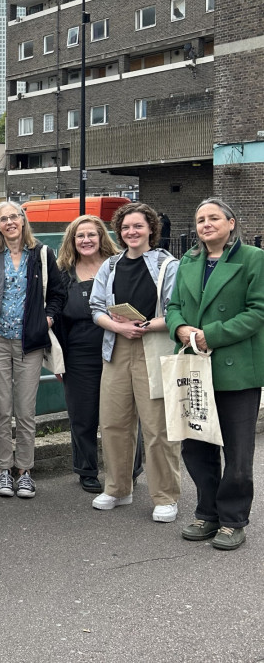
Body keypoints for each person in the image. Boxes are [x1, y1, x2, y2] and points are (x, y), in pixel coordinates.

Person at [167, 198, 264, 550]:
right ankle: (207, 512)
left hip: (237, 368)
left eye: (213, 218)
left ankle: (233, 519)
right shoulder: (189, 260)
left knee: (237, 451)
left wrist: (213, 334)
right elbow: (173, 305)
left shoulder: (253, 258)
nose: (206, 224)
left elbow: (259, 311)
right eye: (200, 219)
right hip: (195, 365)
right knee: (196, 445)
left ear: (231, 223)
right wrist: (178, 329)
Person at [89, 202, 181, 522]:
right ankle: (118, 488)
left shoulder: (167, 265)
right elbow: (97, 308)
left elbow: (175, 312)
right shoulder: (110, 265)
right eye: (126, 227)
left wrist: (143, 326)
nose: (132, 232)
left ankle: (165, 495)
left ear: (151, 229)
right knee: (113, 422)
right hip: (116, 348)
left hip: (152, 348)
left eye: (138, 226)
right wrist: (117, 326)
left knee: (157, 427)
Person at [0, 202, 65, 500]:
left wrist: (49, 317)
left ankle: (25, 471)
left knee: (26, 410)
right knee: (1, 409)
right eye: (2, 219)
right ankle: (4, 469)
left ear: (23, 220)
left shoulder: (41, 254)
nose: (9, 222)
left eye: (13, 216)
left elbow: (58, 292)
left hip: (29, 342)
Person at [56, 215, 132, 493]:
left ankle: (127, 470)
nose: (86, 240)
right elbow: (56, 315)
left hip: (119, 349)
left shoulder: (119, 266)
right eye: (80, 236)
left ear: (102, 237)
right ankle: (86, 470)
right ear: (72, 241)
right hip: (78, 353)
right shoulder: (63, 272)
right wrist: (58, 359)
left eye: (91, 234)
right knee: (82, 415)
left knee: (123, 415)